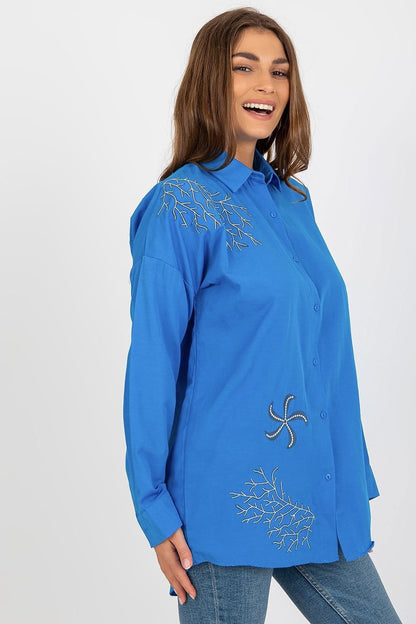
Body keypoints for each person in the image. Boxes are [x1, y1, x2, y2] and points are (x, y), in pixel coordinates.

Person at [122, 7, 402, 623]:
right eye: (243, 68)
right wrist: (154, 508)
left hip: (312, 486)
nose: (265, 86)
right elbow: (152, 364)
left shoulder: (293, 201)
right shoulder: (180, 207)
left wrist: (347, 478)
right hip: (223, 496)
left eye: (279, 71)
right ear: (209, 80)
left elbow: (321, 351)